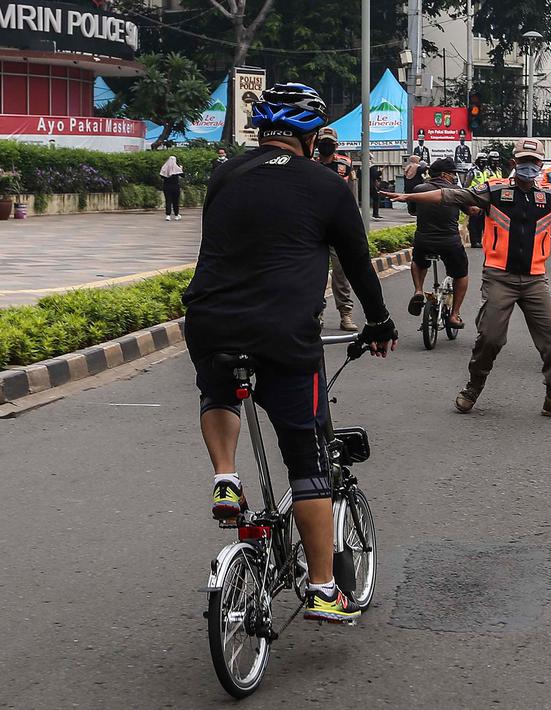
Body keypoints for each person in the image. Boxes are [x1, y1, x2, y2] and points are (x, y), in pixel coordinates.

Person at [184, 82, 397, 623]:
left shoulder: (224, 173)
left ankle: (226, 478)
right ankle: (324, 589)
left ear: (261, 129)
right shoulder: (327, 186)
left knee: (219, 389)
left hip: (208, 322)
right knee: (307, 463)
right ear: (313, 134)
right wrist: (378, 322)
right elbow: (356, 262)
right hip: (283, 334)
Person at [382, 138, 551, 418]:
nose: (529, 166)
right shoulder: (494, 190)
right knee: (490, 337)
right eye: (524, 161)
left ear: (541, 165)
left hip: (535, 280)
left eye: (534, 162)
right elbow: (452, 196)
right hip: (499, 277)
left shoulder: (550, 194)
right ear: (514, 163)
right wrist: (410, 197)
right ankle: (472, 388)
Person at [407, 158, 470, 330]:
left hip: (423, 240)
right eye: (452, 174)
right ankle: (455, 315)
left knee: (418, 262)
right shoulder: (456, 191)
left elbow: (412, 211)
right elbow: (471, 210)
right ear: (444, 174)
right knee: (461, 274)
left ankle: (418, 290)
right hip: (449, 242)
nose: (454, 177)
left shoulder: (419, 189)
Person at [315, 126, 360, 332]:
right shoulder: (309, 165)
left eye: (330, 143)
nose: (326, 146)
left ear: (336, 145)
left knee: (341, 272)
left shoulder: (345, 164)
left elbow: (351, 195)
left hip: (338, 225)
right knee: (315, 272)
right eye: (322, 142)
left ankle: (345, 314)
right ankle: (317, 313)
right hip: (315, 226)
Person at [159, 155, 183, 221]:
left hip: (166, 186)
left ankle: (168, 215)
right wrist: (180, 168)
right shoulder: (177, 168)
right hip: (175, 187)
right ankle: (176, 215)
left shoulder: (164, 168)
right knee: (176, 201)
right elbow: (183, 175)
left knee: (168, 200)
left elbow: (161, 176)